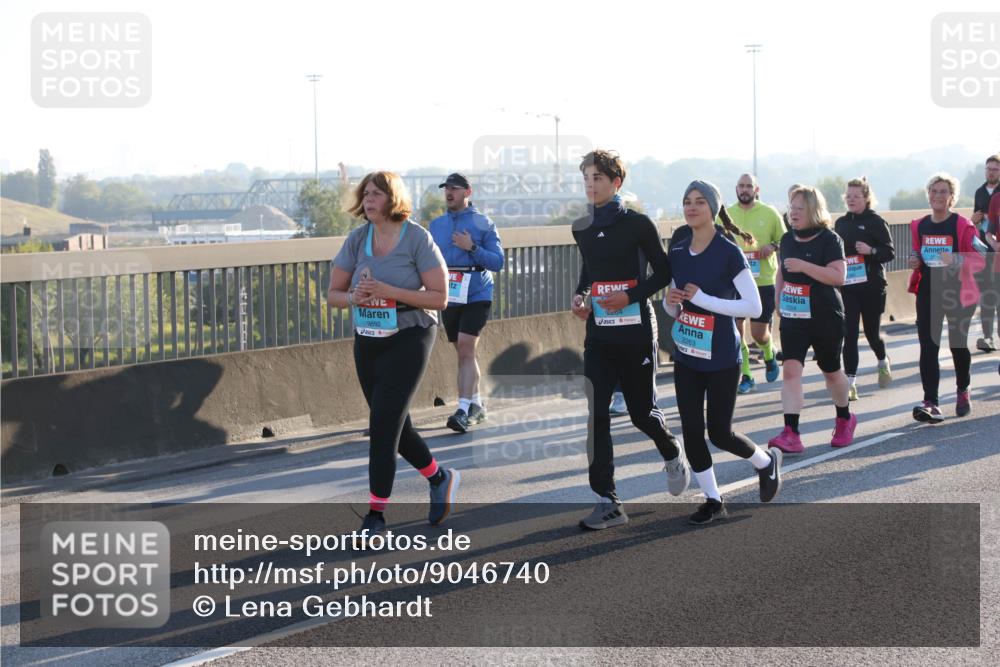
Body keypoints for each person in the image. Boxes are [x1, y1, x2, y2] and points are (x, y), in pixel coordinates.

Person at [327, 171, 459, 536]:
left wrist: (387, 290)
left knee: (383, 426)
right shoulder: (357, 240)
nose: (369, 200)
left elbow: (439, 298)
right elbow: (333, 295)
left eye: (377, 194)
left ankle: (376, 516)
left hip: (411, 334)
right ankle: (439, 477)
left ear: (393, 198)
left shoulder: (417, 238)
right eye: (365, 193)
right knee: (395, 425)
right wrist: (353, 297)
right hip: (368, 336)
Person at [570, 149, 688, 530]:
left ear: (616, 182)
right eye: (586, 178)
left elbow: (664, 272)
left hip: (637, 330)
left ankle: (671, 450)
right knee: (597, 414)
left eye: (598, 178)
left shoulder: (638, 224)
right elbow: (589, 269)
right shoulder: (581, 227)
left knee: (640, 413)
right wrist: (580, 295)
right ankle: (608, 500)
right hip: (599, 335)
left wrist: (629, 296)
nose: (591, 185)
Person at [664, 180, 782, 525]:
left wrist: (702, 299)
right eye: (687, 201)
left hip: (721, 356)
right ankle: (713, 499)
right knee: (690, 428)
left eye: (700, 202)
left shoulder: (728, 250)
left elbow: (752, 304)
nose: (691, 207)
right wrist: (672, 303)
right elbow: (676, 302)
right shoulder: (678, 247)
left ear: (713, 209)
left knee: (720, 433)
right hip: (687, 352)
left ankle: (765, 461)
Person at [768, 185, 857, 453]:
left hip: (825, 315)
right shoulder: (786, 239)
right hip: (794, 314)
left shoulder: (829, 239)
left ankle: (844, 418)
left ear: (813, 211)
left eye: (799, 209)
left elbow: (838, 276)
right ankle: (791, 432)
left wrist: (805, 266)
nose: (793, 213)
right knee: (791, 370)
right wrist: (778, 296)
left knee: (830, 371)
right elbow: (782, 270)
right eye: (791, 208)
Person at [429, 173, 504, 433]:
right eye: (446, 188)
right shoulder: (436, 226)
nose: (449, 192)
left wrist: (472, 247)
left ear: (467, 192)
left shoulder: (484, 223)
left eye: (455, 188)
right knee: (464, 353)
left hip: (477, 293)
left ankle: (462, 409)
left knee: (465, 346)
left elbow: (498, 263)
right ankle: (478, 404)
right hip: (449, 294)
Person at [908, 173, 985, 422]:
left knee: (957, 344)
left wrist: (957, 259)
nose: (937, 196)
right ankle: (931, 401)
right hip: (928, 293)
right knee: (928, 347)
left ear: (952, 197)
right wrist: (915, 260)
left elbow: (981, 258)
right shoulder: (919, 225)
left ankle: (963, 389)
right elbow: (917, 253)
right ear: (928, 194)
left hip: (959, 293)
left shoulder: (963, 225)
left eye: (943, 192)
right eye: (933, 191)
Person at [833, 177, 895, 400]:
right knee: (849, 334)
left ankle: (882, 360)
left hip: (872, 286)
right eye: (848, 196)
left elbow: (889, 253)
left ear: (867, 198)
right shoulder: (841, 223)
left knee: (871, 334)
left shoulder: (875, 222)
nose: (851, 200)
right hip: (848, 287)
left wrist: (871, 251)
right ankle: (850, 382)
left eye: (856, 196)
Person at [723, 173, 785, 394]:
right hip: (736, 281)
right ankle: (746, 376)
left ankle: (768, 353)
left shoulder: (770, 213)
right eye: (741, 186)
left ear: (756, 190)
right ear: (736, 188)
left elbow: (784, 239)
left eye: (749, 186)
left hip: (764, 280)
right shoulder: (727, 215)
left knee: (759, 333)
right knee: (737, 331)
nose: (745, 190)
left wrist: (773, 247)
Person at [973, 155, 1000, 352]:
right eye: (988, 168)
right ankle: (988, 337)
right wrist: (974, 219)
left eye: (995, 169)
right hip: (984, 250)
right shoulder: (980, 192)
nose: (991, 172)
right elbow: (979, 223)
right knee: (987, 295)